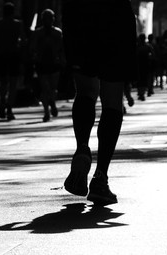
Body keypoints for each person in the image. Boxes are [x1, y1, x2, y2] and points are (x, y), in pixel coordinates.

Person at [62, 0, 136, 205]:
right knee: (112, 100)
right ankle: (100, 177)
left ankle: (82, 148)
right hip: (115, 17)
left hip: (80, 14)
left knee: (86, 91)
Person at [0, 2, 26, 121]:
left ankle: (2, 103)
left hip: (1, 54)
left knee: (3, 82)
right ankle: (9, 108)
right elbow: (22, 40)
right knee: (13, 83)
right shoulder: (17, 24)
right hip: (13, 55)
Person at [30, 9, 65, 122]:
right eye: (46, 18)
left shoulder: (57, 33)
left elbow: (61, 49)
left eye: (50, 18)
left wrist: (62, 60)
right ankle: (46, 112)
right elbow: (33, 47)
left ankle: (52, 104)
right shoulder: (38, 33)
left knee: (53, 88)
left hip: (54, 63)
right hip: (42, 63)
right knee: (45, 88)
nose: (48, 20)